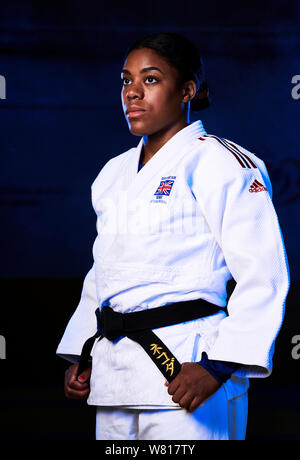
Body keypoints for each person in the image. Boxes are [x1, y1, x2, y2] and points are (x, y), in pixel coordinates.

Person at [57, 32, 290, 441]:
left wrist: (219, 366)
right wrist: (84, 352)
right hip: (115, 377)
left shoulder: (220, 161)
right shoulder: (112, 174)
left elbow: (264, 273)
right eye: (126, 80)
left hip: (188, 369)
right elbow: (104, 274)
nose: (132, 93)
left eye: (150, 79)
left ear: (187, 90)